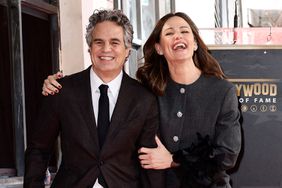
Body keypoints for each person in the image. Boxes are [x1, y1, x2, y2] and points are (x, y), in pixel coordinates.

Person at [42, 12, 241, 187]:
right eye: (169, 33)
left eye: (184, 31)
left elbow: (228, 155)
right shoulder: (148, 91)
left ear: (195, 43)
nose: (178, 36)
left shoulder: (222, 92)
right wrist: (53, 84)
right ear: (159, 48)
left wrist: (173, 160)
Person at [24, 9, 164, 188]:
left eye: (115, 42)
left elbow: (149, 162)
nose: (106, 49)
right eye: (99, 42)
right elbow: (38, 150)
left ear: (127, 50)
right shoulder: (62, 91)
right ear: (90, 47)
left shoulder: (144, 99)